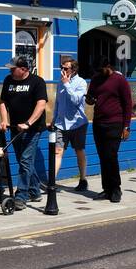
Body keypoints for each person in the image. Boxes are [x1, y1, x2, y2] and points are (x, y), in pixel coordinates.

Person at [0, 56, 49, 207]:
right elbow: (3, 102)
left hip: (32, 129)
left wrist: (28, 123)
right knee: (22, 160)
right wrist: (4, 120)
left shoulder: (37, 82)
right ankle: (35, 191)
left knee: (25, 161)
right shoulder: (8, 80)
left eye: (13, 69)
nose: (10, 71)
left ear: (24, 69)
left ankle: (21, 196)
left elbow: (41, 105)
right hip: (15, 127)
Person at [86, 59, 132, 203]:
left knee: (111, 156)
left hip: (115, 123)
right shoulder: (96, 79)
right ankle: (106, 189)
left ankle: (116, 189)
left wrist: (126, 126)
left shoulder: (119, 80)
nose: (99, 73)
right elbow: (90, 98)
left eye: (101, 70)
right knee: (102, 156)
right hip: (98, 123)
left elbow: (128, 103)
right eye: (97, 71)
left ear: (108, 66)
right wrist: (89, 100)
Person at [52, 59, 89, 192]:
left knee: (79, 150)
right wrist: (54, 119)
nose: (63, 71)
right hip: (61, 123)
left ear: (73, 70)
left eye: (66, 68)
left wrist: (67, 84)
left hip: (77, 124)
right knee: (58, 151)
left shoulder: (81, 82)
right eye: (61, 68)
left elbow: (76, 100)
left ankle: (83, 179)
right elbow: (57, 102)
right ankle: (52, 182)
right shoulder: (60, 82)